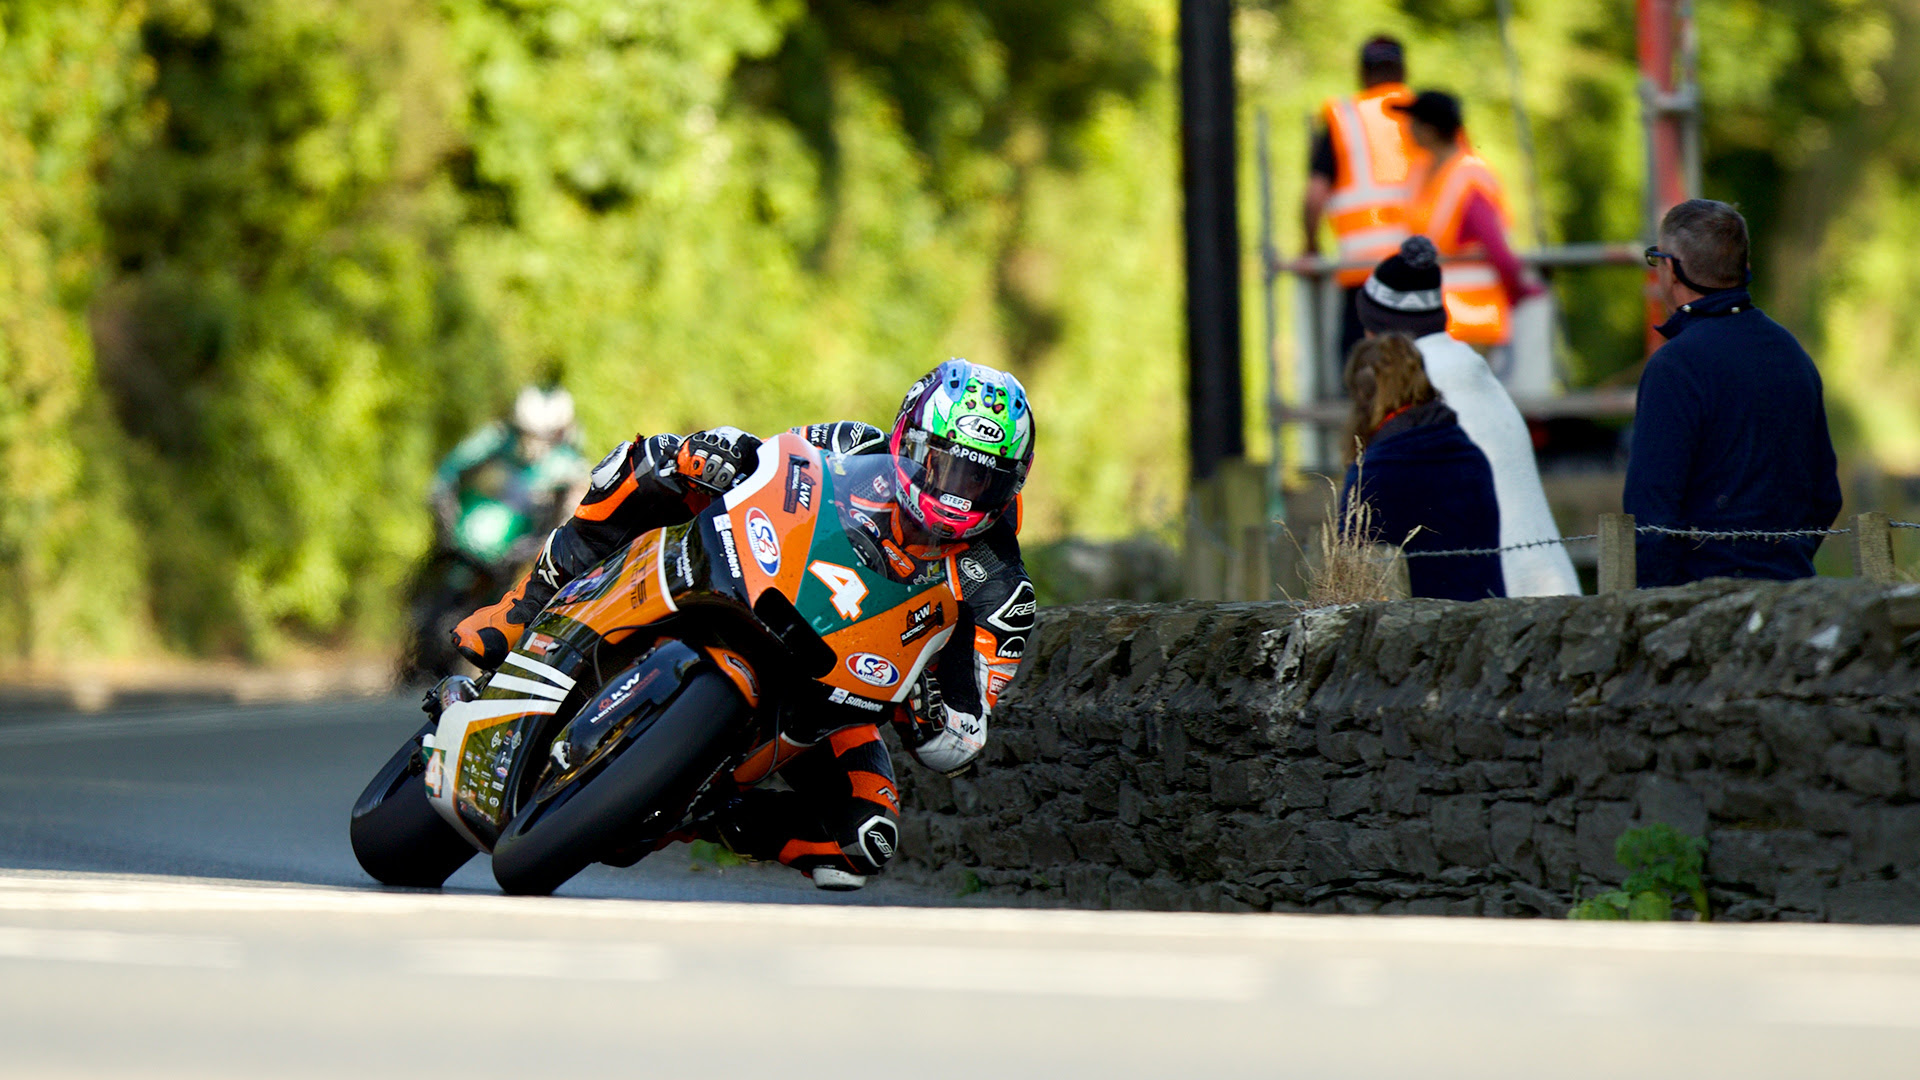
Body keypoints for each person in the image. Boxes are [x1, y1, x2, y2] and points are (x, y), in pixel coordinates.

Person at [453, 360, 1036, 890]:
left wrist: (938, 708)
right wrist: (716, 454)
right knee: (653, 463)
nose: (957, 492)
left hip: (834, 699)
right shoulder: (856, 446)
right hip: (756, 587)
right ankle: (525, 609)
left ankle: (692, 811)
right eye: (947, 466)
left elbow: (966, 726)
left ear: (1010, 486)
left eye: (980, 481)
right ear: (910, 440)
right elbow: (772, 460)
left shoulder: (1002, 590)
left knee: (865, 838)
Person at [1626, 199, 1841, 585]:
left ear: (1671, 269)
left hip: (1701, 605)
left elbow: (1652, 515)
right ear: (1745, 269)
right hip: (1794, 598)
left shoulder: (1674, 367)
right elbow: (1825, 495)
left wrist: (1653, 611)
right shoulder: (1792, 354)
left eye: (1656, 259)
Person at [1357, 236, 1581, 596]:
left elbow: (1374, 516)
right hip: (1552, 591)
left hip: (1501, 605)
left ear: (1375, 332)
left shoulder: (1417, 394)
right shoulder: (1474, 373)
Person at [1341, 333, 1504, 600]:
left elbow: (1351, 581)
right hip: (1486, 626)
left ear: (1361, 396)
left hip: (1410, 635)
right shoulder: (1471, 457)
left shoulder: (1373, 473)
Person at [1301, 36, 1422, 361]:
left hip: (1362, 272)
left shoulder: (1344, 118)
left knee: (1363, 378)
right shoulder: (1428, 114)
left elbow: (1315, 194)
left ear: (1362, 72)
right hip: (1421, 266)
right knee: (1419, 377)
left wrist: (1310, 246)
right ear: (1403, 69)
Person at [1396, 91, 1542, 349]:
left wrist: (1519, 291)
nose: (1407, 130)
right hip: (1436, 321)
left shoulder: (1468, 177)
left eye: (1413, 123)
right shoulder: (1426, 173)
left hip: (1468, 320)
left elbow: (1498, 249)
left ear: (1429, 130)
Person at [430, 384, 590, 550]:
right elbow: (456, 463)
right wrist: (440, 494)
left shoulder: (566, 463)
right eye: (526, 433)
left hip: (518, 545)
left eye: (543, 437)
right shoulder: (498, 438)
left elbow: (578, 503)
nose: (532, 445)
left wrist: (548, 541)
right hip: (462, 529)